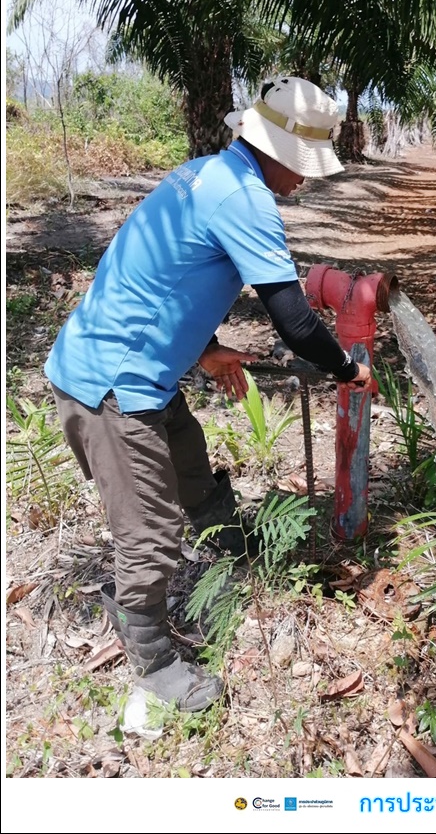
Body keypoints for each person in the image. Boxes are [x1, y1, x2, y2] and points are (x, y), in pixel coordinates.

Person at [44, 76, 371, 712]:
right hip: (114, 382)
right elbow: (296, 321)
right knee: (149, 530)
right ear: (272, 151)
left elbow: (161, 278)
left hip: (133, 363)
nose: (303, 181)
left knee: (189, 461)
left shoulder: (201, 173)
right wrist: (346, 370)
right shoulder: (245, 200)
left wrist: (205, 348)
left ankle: (229, 547)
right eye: (301, 167)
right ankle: (153, 658)